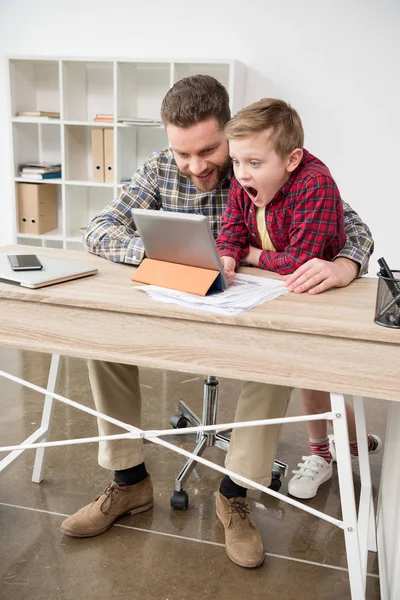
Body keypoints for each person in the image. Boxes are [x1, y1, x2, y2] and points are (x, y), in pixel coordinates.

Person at [60, 75, 373, 568]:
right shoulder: (162, 168)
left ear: (229, 135)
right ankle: (129, 482)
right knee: (104, 343)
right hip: (180, 301)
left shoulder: (261, 164)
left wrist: (344, 264)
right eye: (182, 153)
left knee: (274, 361)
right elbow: (99, 228)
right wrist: (174, 256)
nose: (195, 166)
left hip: (247, 311)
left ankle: (234, 493)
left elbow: (354, 228)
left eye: (208, 151)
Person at [216, 97, 381, 500]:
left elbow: (299, 262)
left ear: (291, 159)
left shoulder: (315, 184)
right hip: (274, 290)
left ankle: (338, 447)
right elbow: (231, 229)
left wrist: (249, 255)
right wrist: (225, 254)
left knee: (321, 373)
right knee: (306, 375)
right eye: (236, 162)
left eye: (254, 163)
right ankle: (338, 447)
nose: (242, 173)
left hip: (320, 290)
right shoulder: (244, 181)